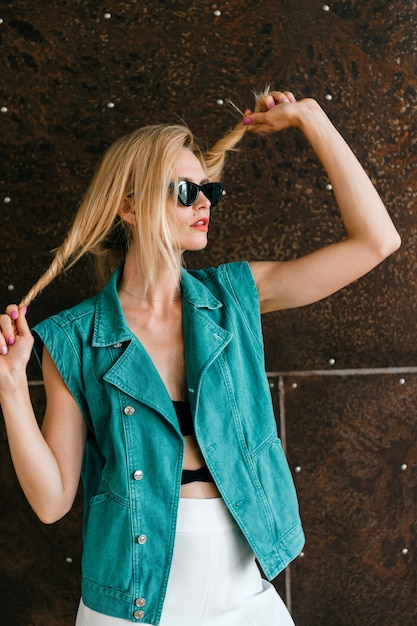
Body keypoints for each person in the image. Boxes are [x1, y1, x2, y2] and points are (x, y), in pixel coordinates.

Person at [0, 88, 400, 626]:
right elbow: (52, 502)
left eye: (209, 190)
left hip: (243, 595)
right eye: (186, 190)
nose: (205, 203)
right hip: (129, 603)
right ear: (130, 205)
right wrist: (9, 387)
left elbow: (377, 241)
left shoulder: (235, 298)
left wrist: (311, 118)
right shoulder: (75, 339)